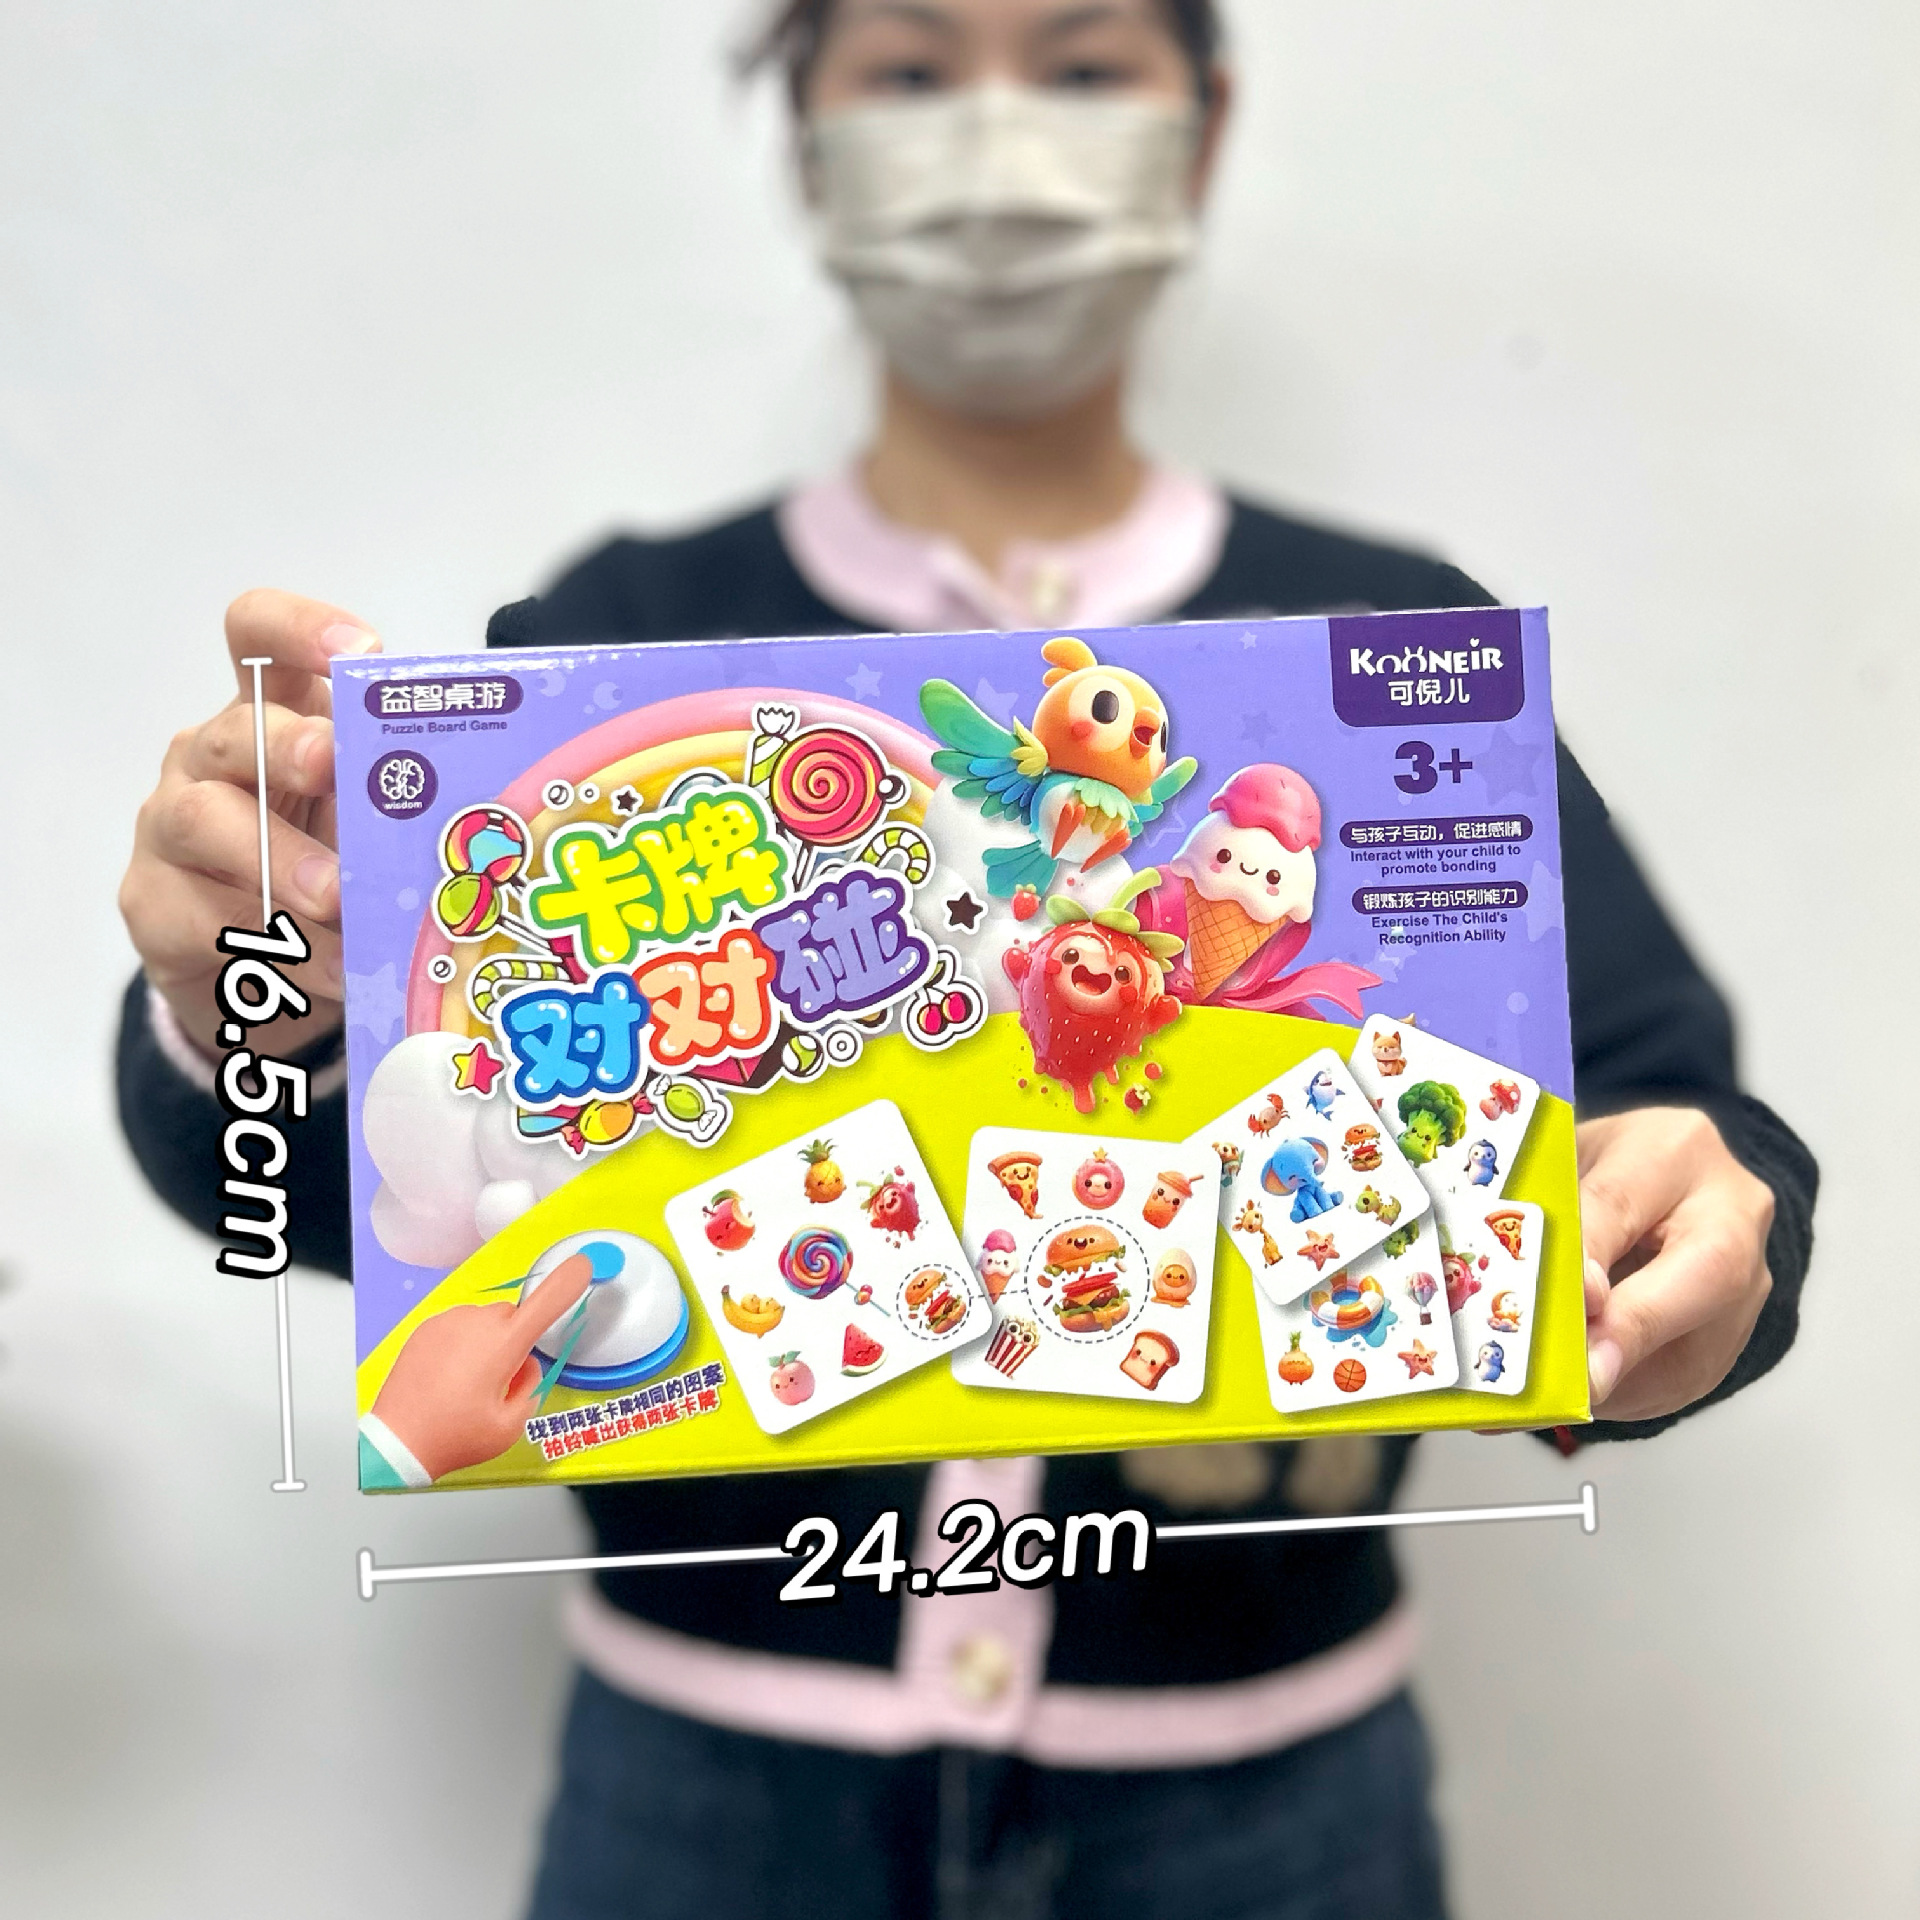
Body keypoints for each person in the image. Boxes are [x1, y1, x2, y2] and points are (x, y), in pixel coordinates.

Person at [114, 3, 1815, 1915]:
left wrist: (1692, 1234)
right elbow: (364, 1203)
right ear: (803, 132)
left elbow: (1670, 1124)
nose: (998, 143)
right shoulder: (620, 649)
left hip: (1269, 1806)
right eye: (911, 73)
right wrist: (241, 1009)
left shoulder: (1395, 652)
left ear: (1205, 125)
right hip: (704, 1799)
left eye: (1082, 69)